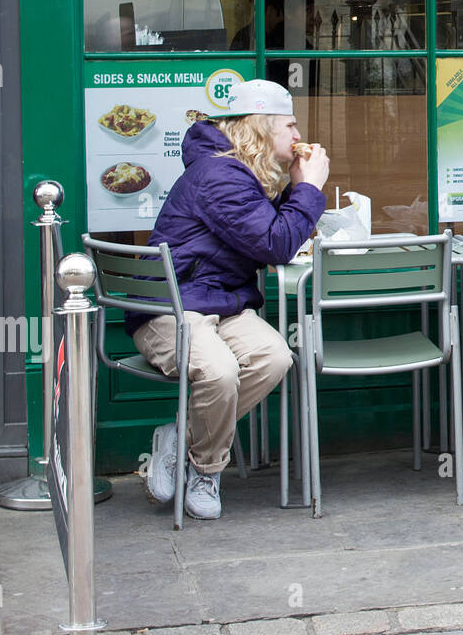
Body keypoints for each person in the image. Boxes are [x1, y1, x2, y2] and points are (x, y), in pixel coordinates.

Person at [128, 79, 329, 520]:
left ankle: (178, 436)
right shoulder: (220, 174)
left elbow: (267, 237)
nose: (299, 136)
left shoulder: (242, 173)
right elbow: (276, 244)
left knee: (274, 357)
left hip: (222, 303)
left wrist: (294, 190)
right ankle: (206, 468)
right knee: (218, 371)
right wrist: (310, 188)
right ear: (260, 128)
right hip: (172, 306)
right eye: (290, 126)